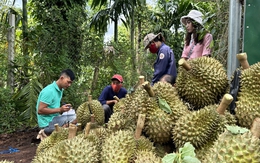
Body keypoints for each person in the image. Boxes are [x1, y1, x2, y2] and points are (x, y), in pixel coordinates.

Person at [36, 69, 77, 140]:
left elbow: (53, 107)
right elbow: (40, 110)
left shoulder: (60, 90)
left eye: (71, 83)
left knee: (74, 115)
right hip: (47, 123)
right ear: (62, 78)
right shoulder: (49, 91)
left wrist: (63, 109)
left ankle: (61, 130)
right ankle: (47, 132)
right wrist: (60, 109)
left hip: (54, 118)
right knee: (76, 118)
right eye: (68, 82)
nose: (69, 85)